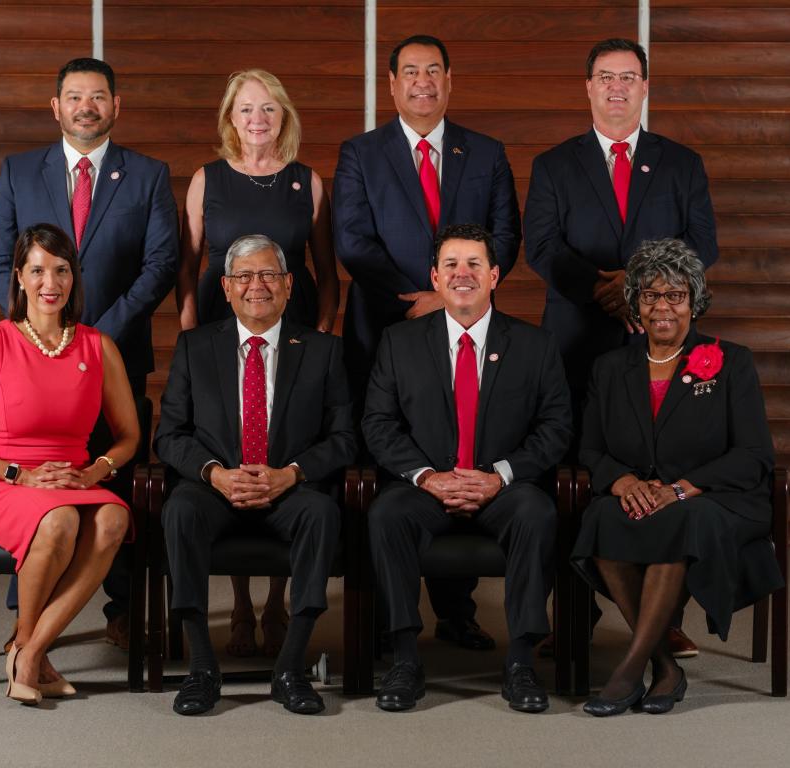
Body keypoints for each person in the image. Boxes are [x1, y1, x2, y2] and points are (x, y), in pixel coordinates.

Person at [523, 38, 718, 656]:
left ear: (644, 87)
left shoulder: (681, 163)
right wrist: (604, 289)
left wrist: (641, 291)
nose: (616, 87)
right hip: (577, 339)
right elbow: (542, 248)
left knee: (662, 465)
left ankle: (666, 613)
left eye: (628, 77)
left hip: (661, 337)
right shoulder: (555, 164)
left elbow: (703, 247)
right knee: (572, 474)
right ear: (588, 87)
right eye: (605, 77)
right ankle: (569, 613)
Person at [333, 33, 521, 652]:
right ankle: (391, 617)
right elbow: (354, 241)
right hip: (385, 326)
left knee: (464, 444)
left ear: (449, 80)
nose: (422, 81)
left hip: (468, 324)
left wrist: (451, 297)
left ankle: (457, 610)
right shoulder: (361, 153)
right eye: (409, 71)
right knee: (395, 460)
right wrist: (420, 296)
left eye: (433, 70)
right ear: (391, 84)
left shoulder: (486, 152)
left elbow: (505, 239)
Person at [0, 57, 179, 649]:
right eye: (74, 96)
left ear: (116, 107)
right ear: (56, 106)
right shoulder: (19, 172)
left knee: (113, 479)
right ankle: (31, 612)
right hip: (31, 363)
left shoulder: (146, 174)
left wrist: (96, 338)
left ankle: (122, 607)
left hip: (117, 354)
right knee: (38, 476)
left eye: (98, 97)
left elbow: (160, 265)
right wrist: (42, 329)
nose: (86, 106)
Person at [362, 223, 572, 713]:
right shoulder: (399, 342)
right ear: (434, 278)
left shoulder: (536, 345)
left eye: (475, 264)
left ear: (495, 275)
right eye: (452, 265)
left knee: (536, 513)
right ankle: (405, 659)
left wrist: (499, 474)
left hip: (501, 486)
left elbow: (556, 427)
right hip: (427, 485)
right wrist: (427, 477)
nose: (463, 274)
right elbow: (378, 423)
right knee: (385, 514)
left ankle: (520, 663)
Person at [572, 238, 783, 716]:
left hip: (717, 499)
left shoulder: (731, 362)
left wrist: (680, 489)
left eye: (675, 295)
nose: (662, 307)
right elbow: (590, 448)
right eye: (650, 295)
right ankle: (666, 667)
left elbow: (753, 455)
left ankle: (628, 672)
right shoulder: (609, 368)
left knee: (682, 522)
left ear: (695, 302)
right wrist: (623, 483)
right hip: (643, 494)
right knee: (603, 516)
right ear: (635, 306)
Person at [0, 224, 140, 705]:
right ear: (20, 278)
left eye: (62, 270)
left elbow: (129, 437)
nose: (51, 282)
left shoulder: (98, 346)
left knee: (114, 517)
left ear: (74, 278)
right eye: (38, 270)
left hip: (74, 478)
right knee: (60, 520)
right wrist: (17, 474)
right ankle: (31, 655)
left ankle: (28, 648)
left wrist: (96, 471)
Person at [155, 234, 357, 716]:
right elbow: (170, 435)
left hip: (288, 487)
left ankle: (290, 668)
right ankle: (203, 667)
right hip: (217, 487)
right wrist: (215, 474)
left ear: (288, 284)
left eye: (268, 274)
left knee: (322, 514)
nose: (257, 286)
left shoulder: (322, 350)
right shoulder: (195, 347)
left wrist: (291, 474)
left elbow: (345, 438)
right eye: (244, 276)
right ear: (225, 287)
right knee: (180, 510)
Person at [175, 69, 340, 658]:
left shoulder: (307, 182)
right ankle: (240, 603)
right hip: (222, 337)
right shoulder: (206, 180)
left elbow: (324, 270)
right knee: (231, 449)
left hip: (290, 336)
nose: (257, 119)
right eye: (246, 109)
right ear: (230, 117)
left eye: (268, 108)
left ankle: (277, 601)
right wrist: (195, 339)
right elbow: (189, 266)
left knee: (282, 452)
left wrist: (319, 341)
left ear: (283, 116)